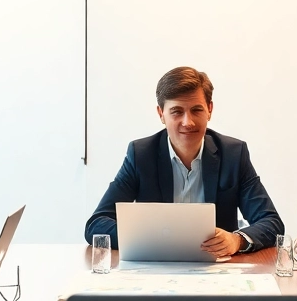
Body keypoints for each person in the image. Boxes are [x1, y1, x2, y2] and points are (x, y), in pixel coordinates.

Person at [84, 66, 283, 255]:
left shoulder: (233, 154)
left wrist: (236, 240)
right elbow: (97, 224)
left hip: (218, 270)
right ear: (161, 114)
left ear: (209, 110)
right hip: (156, 269)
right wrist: (150, 240)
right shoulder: (141, 155)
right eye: (177, 111)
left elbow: (271, 222)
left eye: (196, 110)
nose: (188, 122)